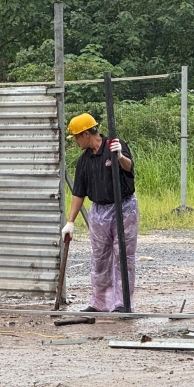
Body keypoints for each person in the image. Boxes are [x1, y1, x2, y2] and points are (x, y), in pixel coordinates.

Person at [61, 113, 139, 313]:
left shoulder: (114, 145)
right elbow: (79, 193)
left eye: (77, 137)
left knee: (123, 256)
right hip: (100, 212)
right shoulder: (84, 161)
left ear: (86, 134)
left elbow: (129, 168)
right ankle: (100, 302)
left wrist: (120, 156)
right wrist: (70, 222)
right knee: (100, 258)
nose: (76, 141)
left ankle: (122, 302)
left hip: (124, 208)